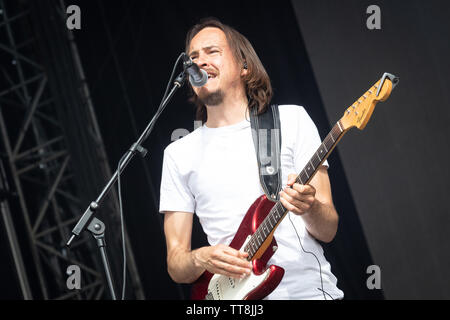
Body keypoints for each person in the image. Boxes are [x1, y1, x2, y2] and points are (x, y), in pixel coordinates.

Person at [159, 18, 344, 300]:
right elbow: (176, 263)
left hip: (308, 293)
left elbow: (328, 228)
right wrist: (201, 259)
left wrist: (309, 207)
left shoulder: (291, 120)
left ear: (244, 66)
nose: (200, 62)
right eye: (193, 57)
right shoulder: (177, 154)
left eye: (212, 51)